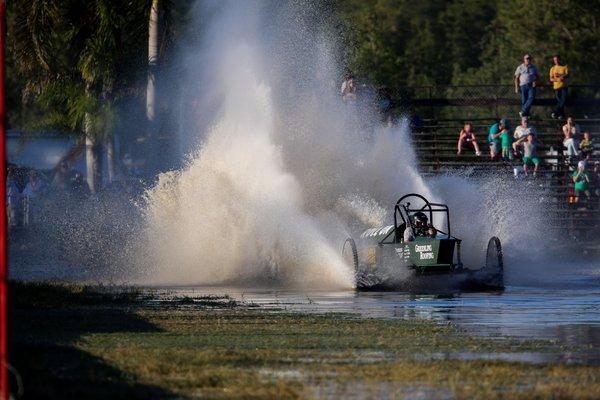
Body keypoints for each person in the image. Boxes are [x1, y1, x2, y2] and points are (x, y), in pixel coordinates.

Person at [549, 55, 569, 119]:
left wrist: (561, 76)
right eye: (555, 60)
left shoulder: (565, 67)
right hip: (556, 87)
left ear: (560, 59)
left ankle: (555, 112)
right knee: (560, 102)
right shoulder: (552, 68)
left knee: (563, 100)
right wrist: (557, 79)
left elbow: (567, 75)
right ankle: (561, 115)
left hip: (564, 87)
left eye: (557, 59)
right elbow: (551, 79)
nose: (556, 61)